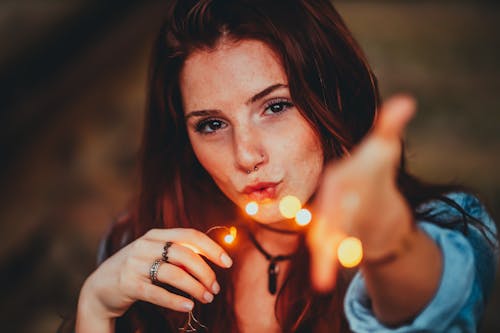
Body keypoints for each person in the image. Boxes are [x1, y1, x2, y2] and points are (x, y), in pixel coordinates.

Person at [66, 0, 498, 332]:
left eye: (275, 106)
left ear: (332, 97)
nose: (246, 155)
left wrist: (387, 243)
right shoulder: (144, 247)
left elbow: (429, 301)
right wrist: (95, 309)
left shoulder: (445, 227)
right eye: (212, 124)